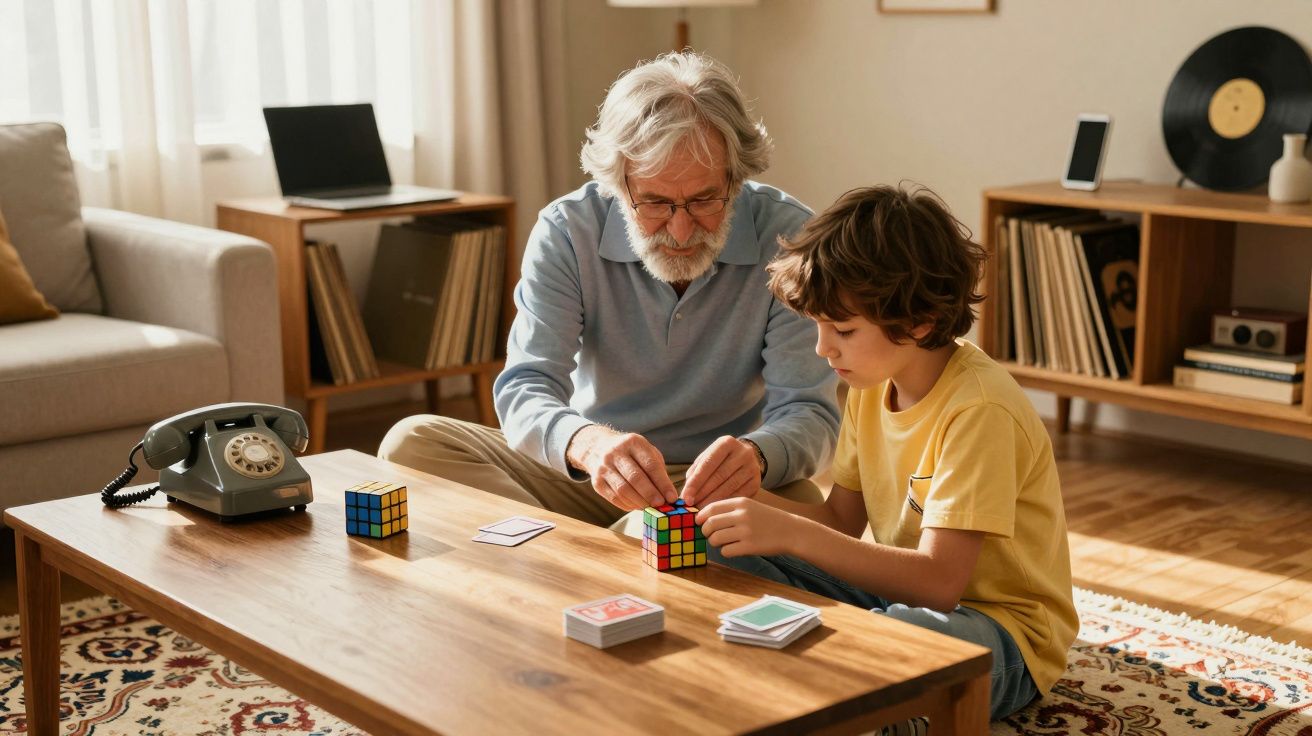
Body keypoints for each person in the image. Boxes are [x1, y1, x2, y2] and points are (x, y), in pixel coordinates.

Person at [379, 52, 840, 529]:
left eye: (704, 200)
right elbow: (526, 385)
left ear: (737, 177)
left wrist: (757, 456)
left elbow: (810, 412)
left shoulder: (790, 237)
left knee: (805, 502)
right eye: (656, 202)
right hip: (588, 473)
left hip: (713, 486)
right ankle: (602, 552)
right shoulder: (567, 230)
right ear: (617, 184)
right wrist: (587, 443)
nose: (681, 231)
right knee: (411, 443)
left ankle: (573, 553)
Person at [697, 184, 1077, 721]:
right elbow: (840, 522)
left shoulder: (980, 410)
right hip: (891, 601)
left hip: (998, 632)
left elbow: (941, 586)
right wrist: (746, 500)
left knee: (897, 639)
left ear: (917, 322)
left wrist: (791, 533)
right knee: (706, 542)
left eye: (843, 330)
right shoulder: (871, 383)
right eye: (820, 327)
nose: (823, 348)